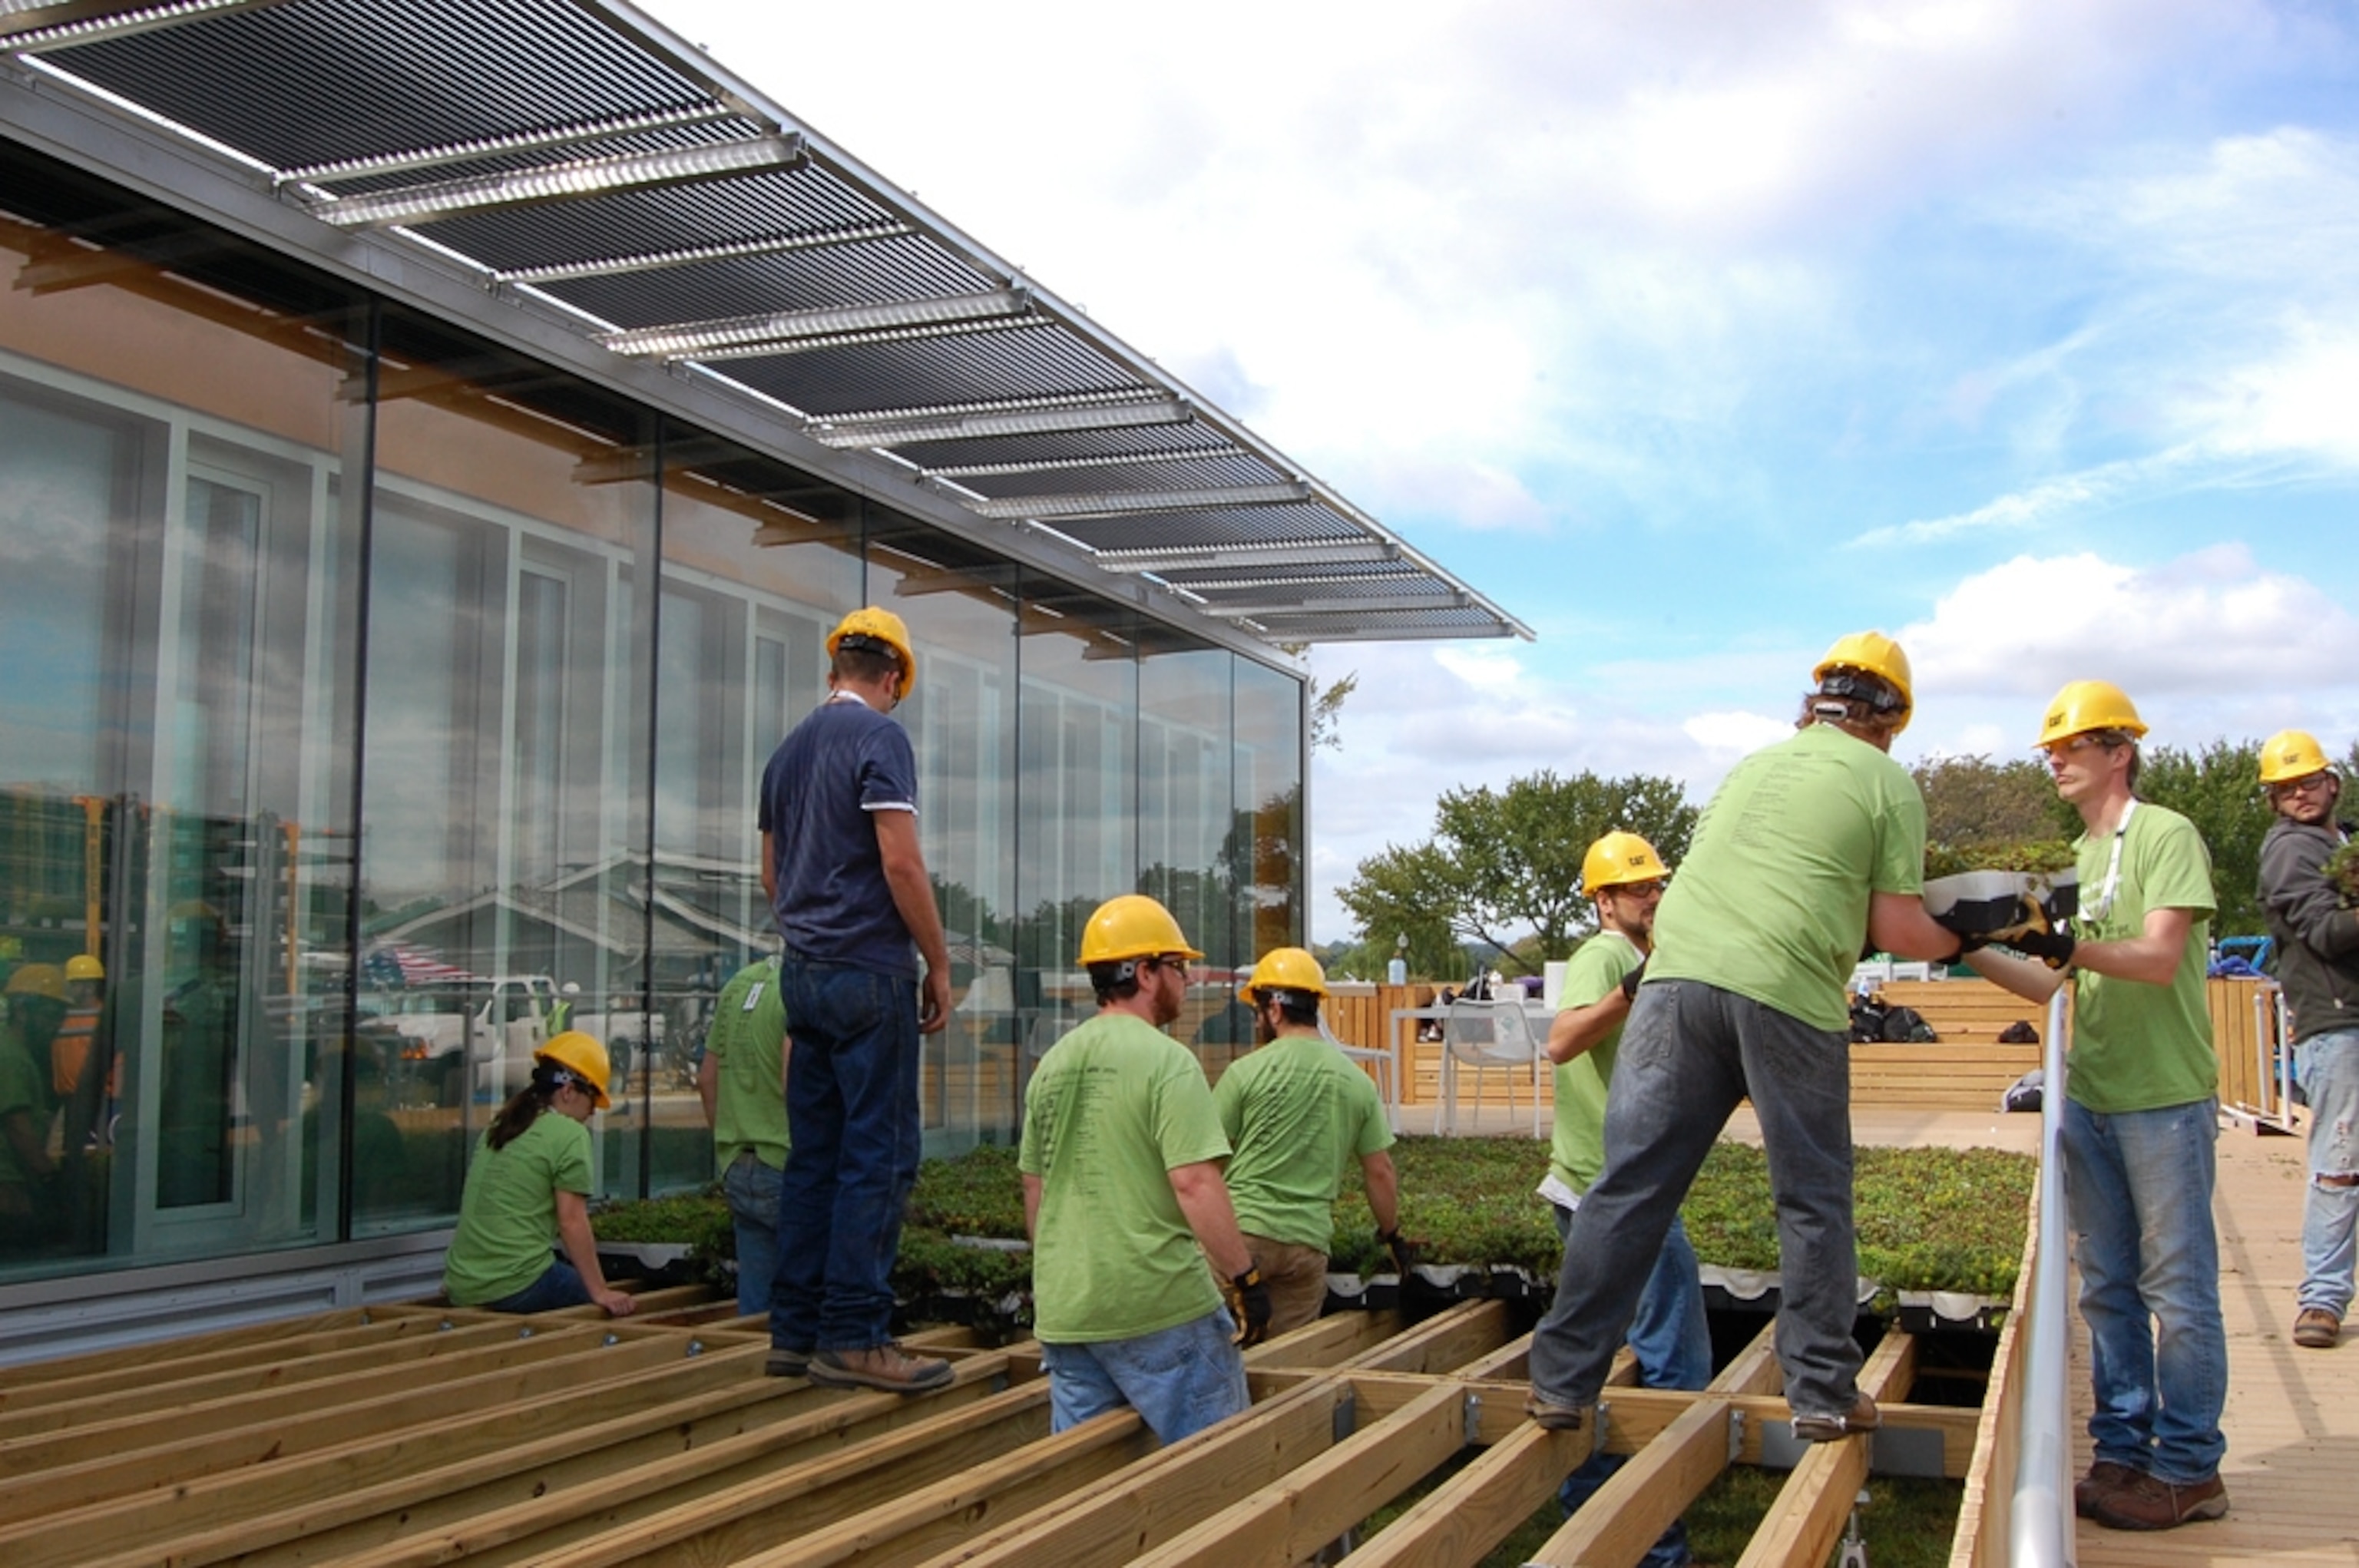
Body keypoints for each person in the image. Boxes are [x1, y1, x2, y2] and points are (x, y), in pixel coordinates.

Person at [1527, 632, 1967, 1444]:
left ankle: (1560, 1382)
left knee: (1629, 1187)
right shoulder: (1887, 781)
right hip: (1786, 992)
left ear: (1817, 704)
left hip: (1672, 986)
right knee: (1811, 1197)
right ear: (1891, 719)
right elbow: (1896, 924)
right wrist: (1969, 937)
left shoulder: (1754, 766)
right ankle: (1824, 1391)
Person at [1967, 680, 2228, 1531]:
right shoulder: (2081, 856)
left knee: (2179, 1290)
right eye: (2051, 748)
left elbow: (2156, 957)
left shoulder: (2164, 833)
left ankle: (2190, 1469)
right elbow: (2052, 979)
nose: (2054, 760)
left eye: (2071, 746)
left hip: (2163, 1098)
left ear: (2120, 751)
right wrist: (1966, 945)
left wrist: (2067, 941)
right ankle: (2122, 1448)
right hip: (2095, 1094)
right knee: (2110, 1286)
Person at [758, 606, 955, 1393]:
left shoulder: (786, 752)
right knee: (880, 1155)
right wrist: (936, 962)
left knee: (815, 1157)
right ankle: (857, 1335)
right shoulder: (882, 739)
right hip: (869, 973)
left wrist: (811, 932)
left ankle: (793, 1331)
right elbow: (901, 863)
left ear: (833, 668)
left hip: (801, 973)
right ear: (894, 677)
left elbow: (772, 876)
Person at [1021, 894, 1270, 1442]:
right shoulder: (1168, 1061)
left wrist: (1060, 1277)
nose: (1186, 981)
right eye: (1178, 968)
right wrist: (1244, 1278)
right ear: (1145, 972)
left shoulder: (1052, 1066)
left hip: (1068, 1315)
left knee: (1089, 1489)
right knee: (1219, 1472)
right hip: (1160, 1308)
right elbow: (1195, 1183)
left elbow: (1035, 1189)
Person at [1541, 831, 1710, 1567]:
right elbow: (1562, 1040)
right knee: (1676, 1359)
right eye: (1637, 888)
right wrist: (1632, 986)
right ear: (1603, 901)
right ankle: (1650, 1539)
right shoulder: (1605, 955)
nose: (1653, 896)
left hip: (1612, 1189)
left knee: (1615, 1353)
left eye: (1656, 885)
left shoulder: (1639, 957)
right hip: (1609, 1194)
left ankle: (1602, 1513)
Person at [1212, 946, 1403, 1335]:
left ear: (1276, 1010)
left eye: (1258, 1012)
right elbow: (1380, 1172)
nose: (1256, 1022)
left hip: (1240, 1239)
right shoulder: (1357, 1082)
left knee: (1216, 1357)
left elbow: (1208, 1163)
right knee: (1288, 1371)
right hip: (1307, 1246)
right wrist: (1392, 1235)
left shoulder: (1243, 1073)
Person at [2255, 729, 2359, 1352]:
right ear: (2274, 799)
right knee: (2340, 1165)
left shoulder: (2338, 842)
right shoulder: (2292, 851)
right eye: (2285, 787)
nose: (2299, 794)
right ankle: (2322, 1298)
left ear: (2332, 783)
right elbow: (2322, 931)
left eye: (2308, 782)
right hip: (2337, 1023)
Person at [442, 1031, 637, 1318]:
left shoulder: (501, 1126)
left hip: (462, 1284)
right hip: (518, 1283)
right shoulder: (570, 1134)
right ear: (568, 1090)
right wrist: (600, 1291)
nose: (593, 1113)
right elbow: (571, 1221)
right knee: (603, 1313)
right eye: (593, 1101)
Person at [698, 952, 790, 1319]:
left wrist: (727, 1145)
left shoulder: (738, 984)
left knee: (755, 1307)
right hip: (787, 1161)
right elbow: (794, 1080)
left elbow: (707, 1079)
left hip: (738, 1164)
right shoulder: (806, 984)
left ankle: (754, 1366)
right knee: (807, 1303)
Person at [0, 964, 65, 1245]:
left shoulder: (13, 1051)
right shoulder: (12, 1057)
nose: (55, 1026)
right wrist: (50, 1178)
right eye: (49, 1017)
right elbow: (17, 1125)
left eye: (59, 1018)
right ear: (21, 1012)